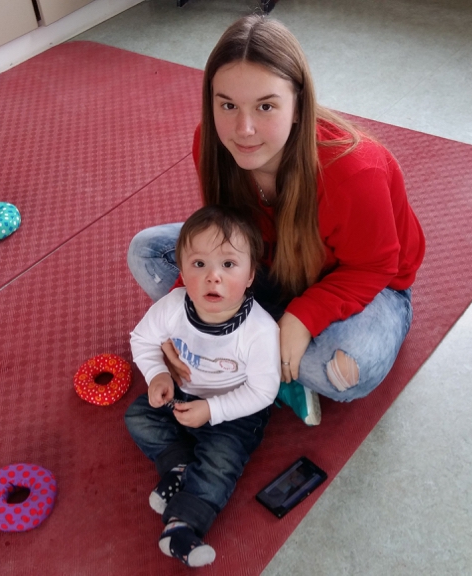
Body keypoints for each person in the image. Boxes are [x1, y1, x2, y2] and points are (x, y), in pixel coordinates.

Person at [127, 14, 424, 427]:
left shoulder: (356, 171)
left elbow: (375, 266)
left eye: (265, 106)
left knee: (345, 371)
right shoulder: (210, 145)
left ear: (298, 105)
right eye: (227, 105)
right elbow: (223, 239)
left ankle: (253, 355)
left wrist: (304, 316)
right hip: (266, 262)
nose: (244, 129)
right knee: (146, 252)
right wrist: (184, 311)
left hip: (368, 283)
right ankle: (264, 356)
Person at [126, 205, 280, 568]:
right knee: (138, 416)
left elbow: (262, 392)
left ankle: (181, 526)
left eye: (228, 264)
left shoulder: (260, 331)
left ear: (250, 275)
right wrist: (157, 375)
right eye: (199, 264)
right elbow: (142, 339)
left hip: (233, 410)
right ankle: (177, 465)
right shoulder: (172, 306)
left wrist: (212, 410)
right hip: (182, 394)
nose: (213, 277)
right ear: (182, 271)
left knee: (220, 462)